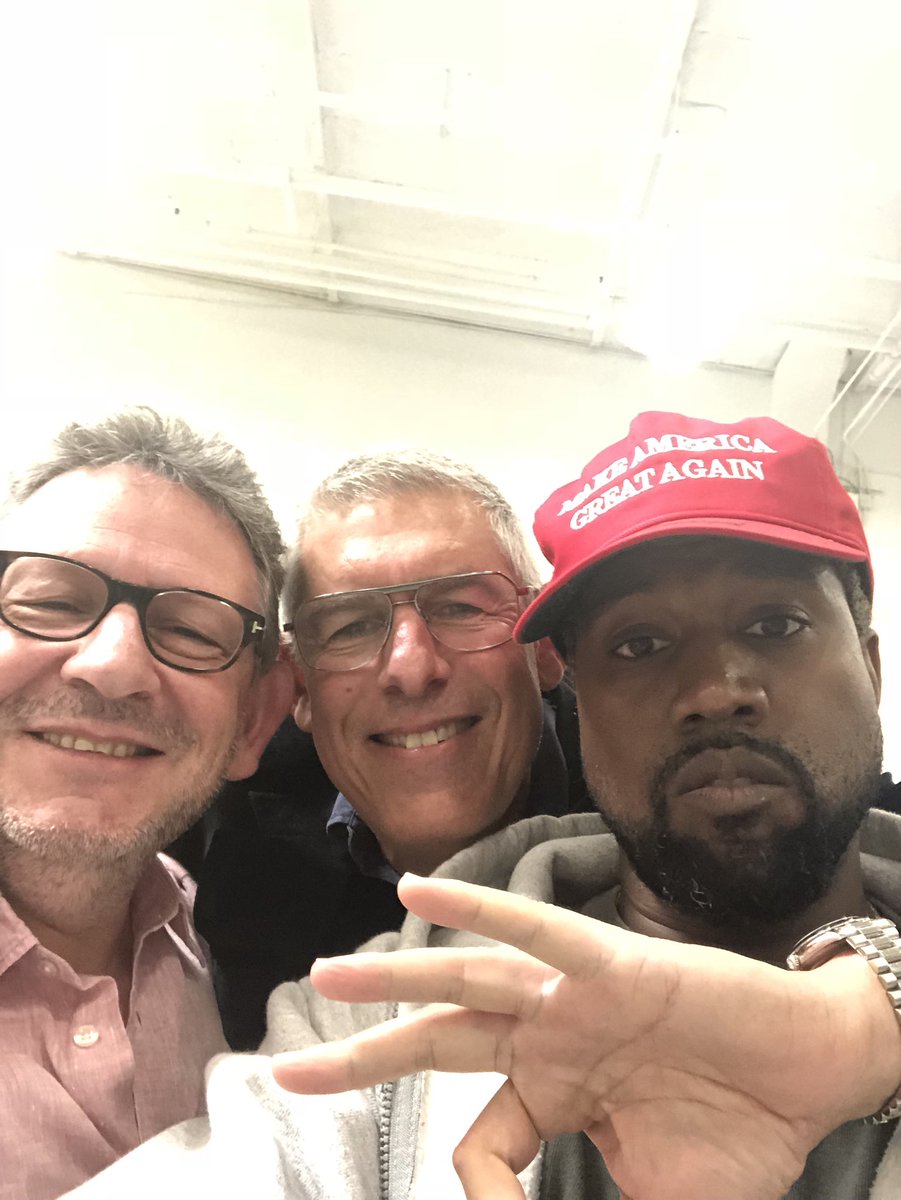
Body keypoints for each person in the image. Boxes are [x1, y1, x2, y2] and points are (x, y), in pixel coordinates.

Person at [63, 411, 901, 1200]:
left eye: (775, 625)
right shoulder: (344, 999)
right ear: (298, 690)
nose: (715, 692)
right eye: (639, 643)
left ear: (546, 669)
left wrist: (871, 1017)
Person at [178, 450, 591, 1049]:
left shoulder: (646, 810)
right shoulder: (216, 815)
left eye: (461, 608)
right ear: (301, 687)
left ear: (545, 646)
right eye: (350, 626)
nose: (411, 669)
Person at [0, 408, 292, 1200]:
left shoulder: (204, 934)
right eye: (50, 601)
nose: (112, 665)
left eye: (192, 631)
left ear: (254, 722)